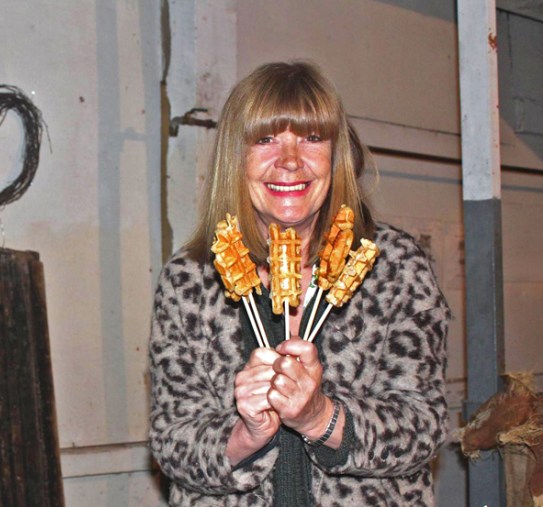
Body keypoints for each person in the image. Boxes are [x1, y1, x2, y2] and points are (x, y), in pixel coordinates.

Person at [148, 61, 450, 506]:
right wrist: (244, 434)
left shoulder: (397, 266)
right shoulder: (189, 279)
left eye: (311, 138)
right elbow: (171, 443)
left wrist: (320, 418)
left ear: (336, 155)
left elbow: (424, 426)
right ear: (237, 158)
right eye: (265, 139)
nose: (289, 161)